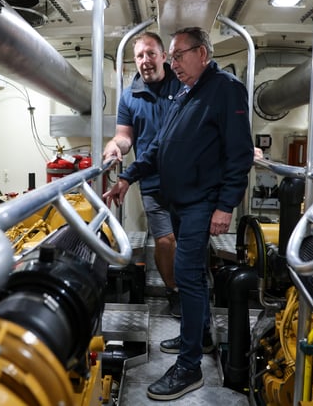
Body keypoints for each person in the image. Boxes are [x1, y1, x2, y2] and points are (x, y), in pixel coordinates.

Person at [103, 27, 254, 401]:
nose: (173, 63)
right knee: (193, 276)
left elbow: (239, 153)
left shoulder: (225, 88)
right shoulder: (186, 92)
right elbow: (157, 147)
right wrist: (127, 177)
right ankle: (199, 335)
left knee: (186, 274)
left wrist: (226, 205)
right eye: (171, 57)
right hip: (179, 200)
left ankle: (189, 368)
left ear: (202, 53)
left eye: (178, 55)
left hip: (202, 201)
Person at [103, 32, 182, 317]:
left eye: (150, 53)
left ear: (163, 56)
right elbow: (124, 137)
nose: (145, 61)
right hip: (151, 181)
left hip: (189, 181)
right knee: (165, 240)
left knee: (189, 240)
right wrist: (114, 146)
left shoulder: (184, 85)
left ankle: (192, 289)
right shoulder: (129, 97)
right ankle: (174, 291)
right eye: (139, 56)